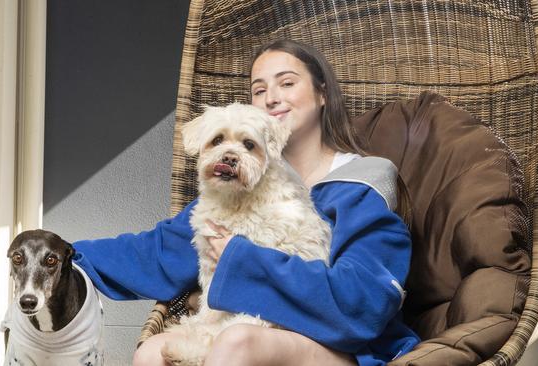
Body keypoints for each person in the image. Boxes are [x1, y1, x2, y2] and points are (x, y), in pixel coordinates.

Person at [72, 39, 420, 366]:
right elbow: (156, 254)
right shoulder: (231, 192)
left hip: (344, 344)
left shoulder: (362, 186)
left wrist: (242, 260)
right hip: (249, 331)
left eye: (286, 83)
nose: (271, 98)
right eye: (259, 89)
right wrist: (66, 256)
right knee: (152, 351)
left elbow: (362, 303)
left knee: (237, 341)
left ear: (322, 93)